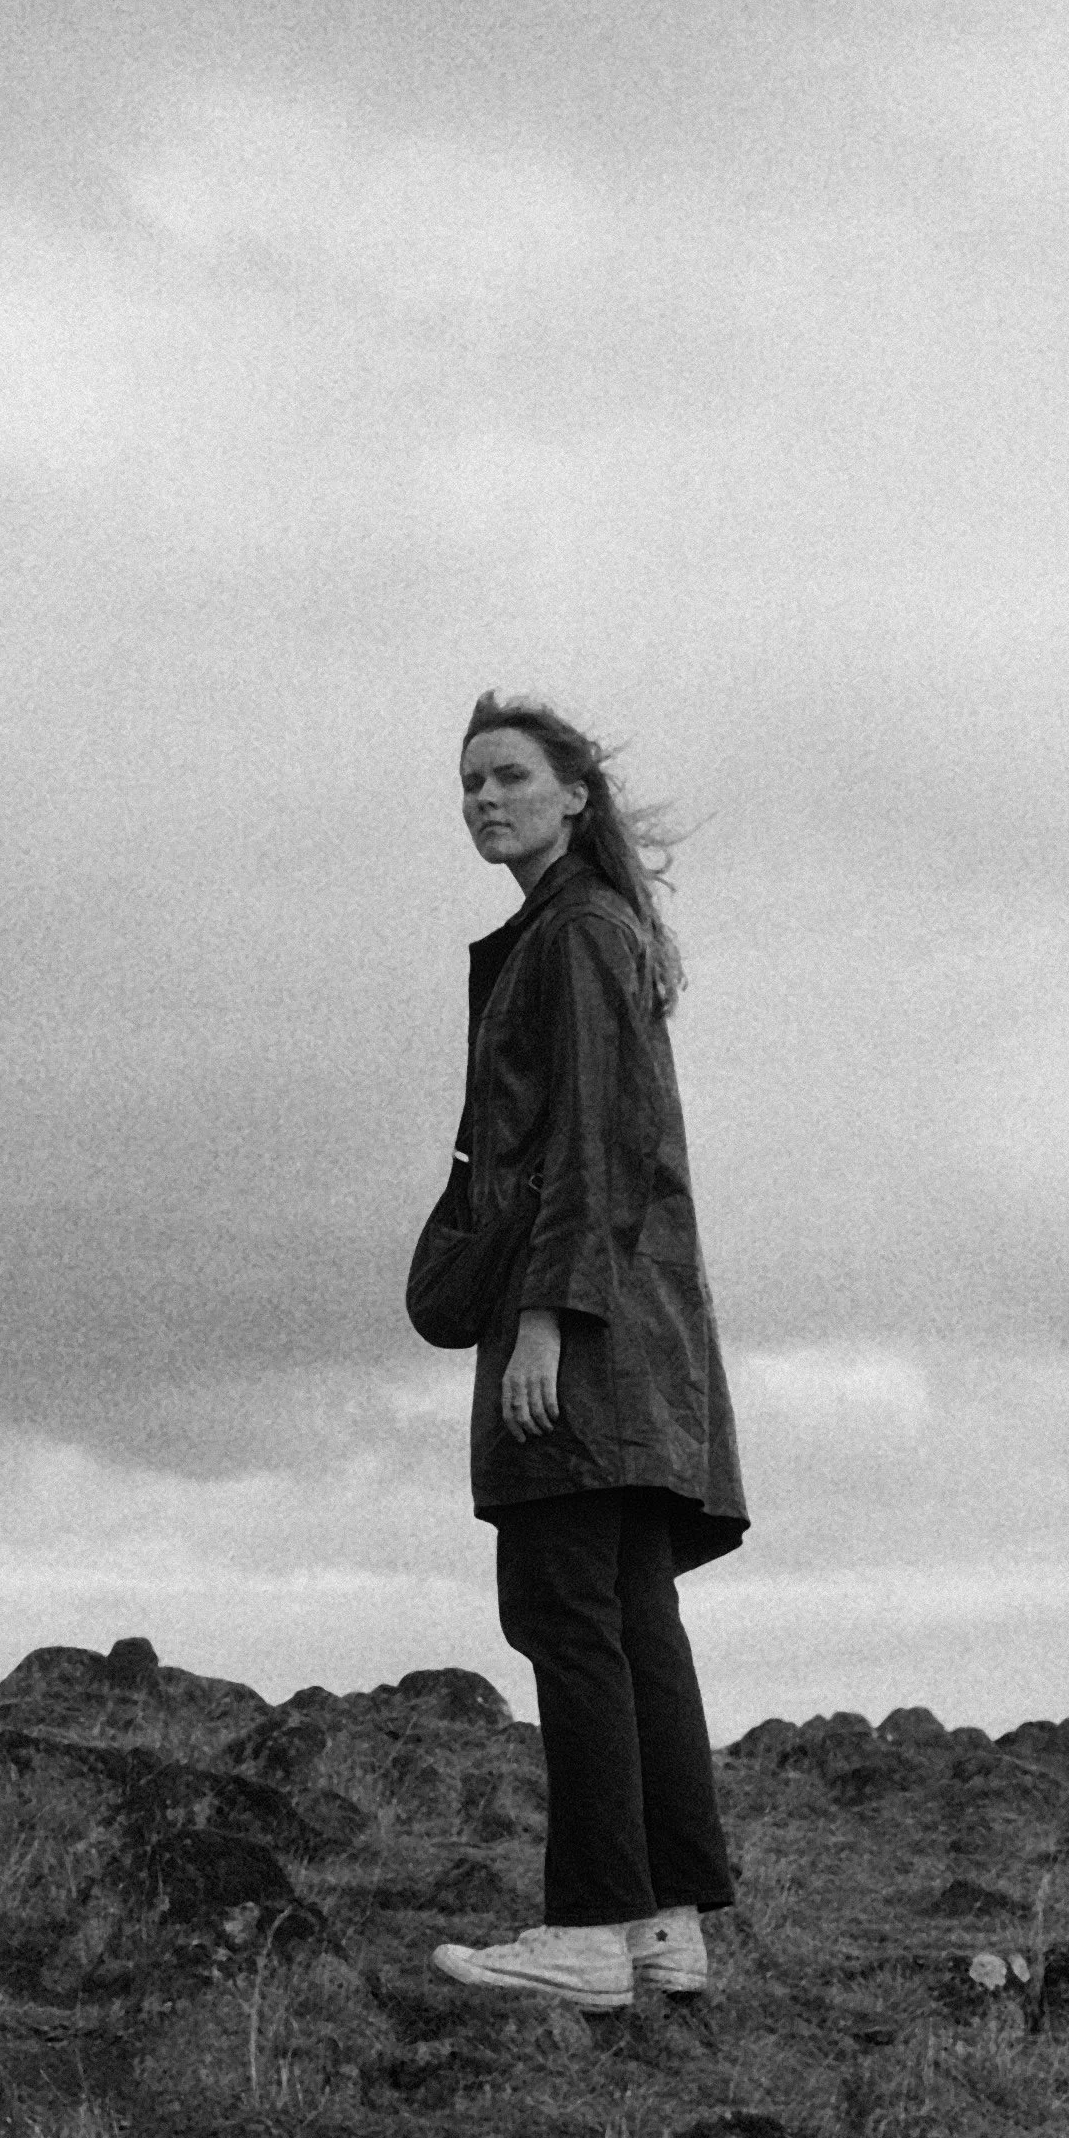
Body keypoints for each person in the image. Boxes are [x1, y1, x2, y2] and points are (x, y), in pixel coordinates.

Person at [427, 692, 748, 2013]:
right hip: (640, 1327)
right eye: (467, 786)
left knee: (568, 1612)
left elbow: (593, 1147)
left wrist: (547, 1319)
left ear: (572, 794)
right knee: (623, 1616)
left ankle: (589, 1931)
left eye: (507, 776)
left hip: (589, 1324)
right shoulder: (589, 934)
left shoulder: (574, 937)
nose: (483, 801)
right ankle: (665, 1921)